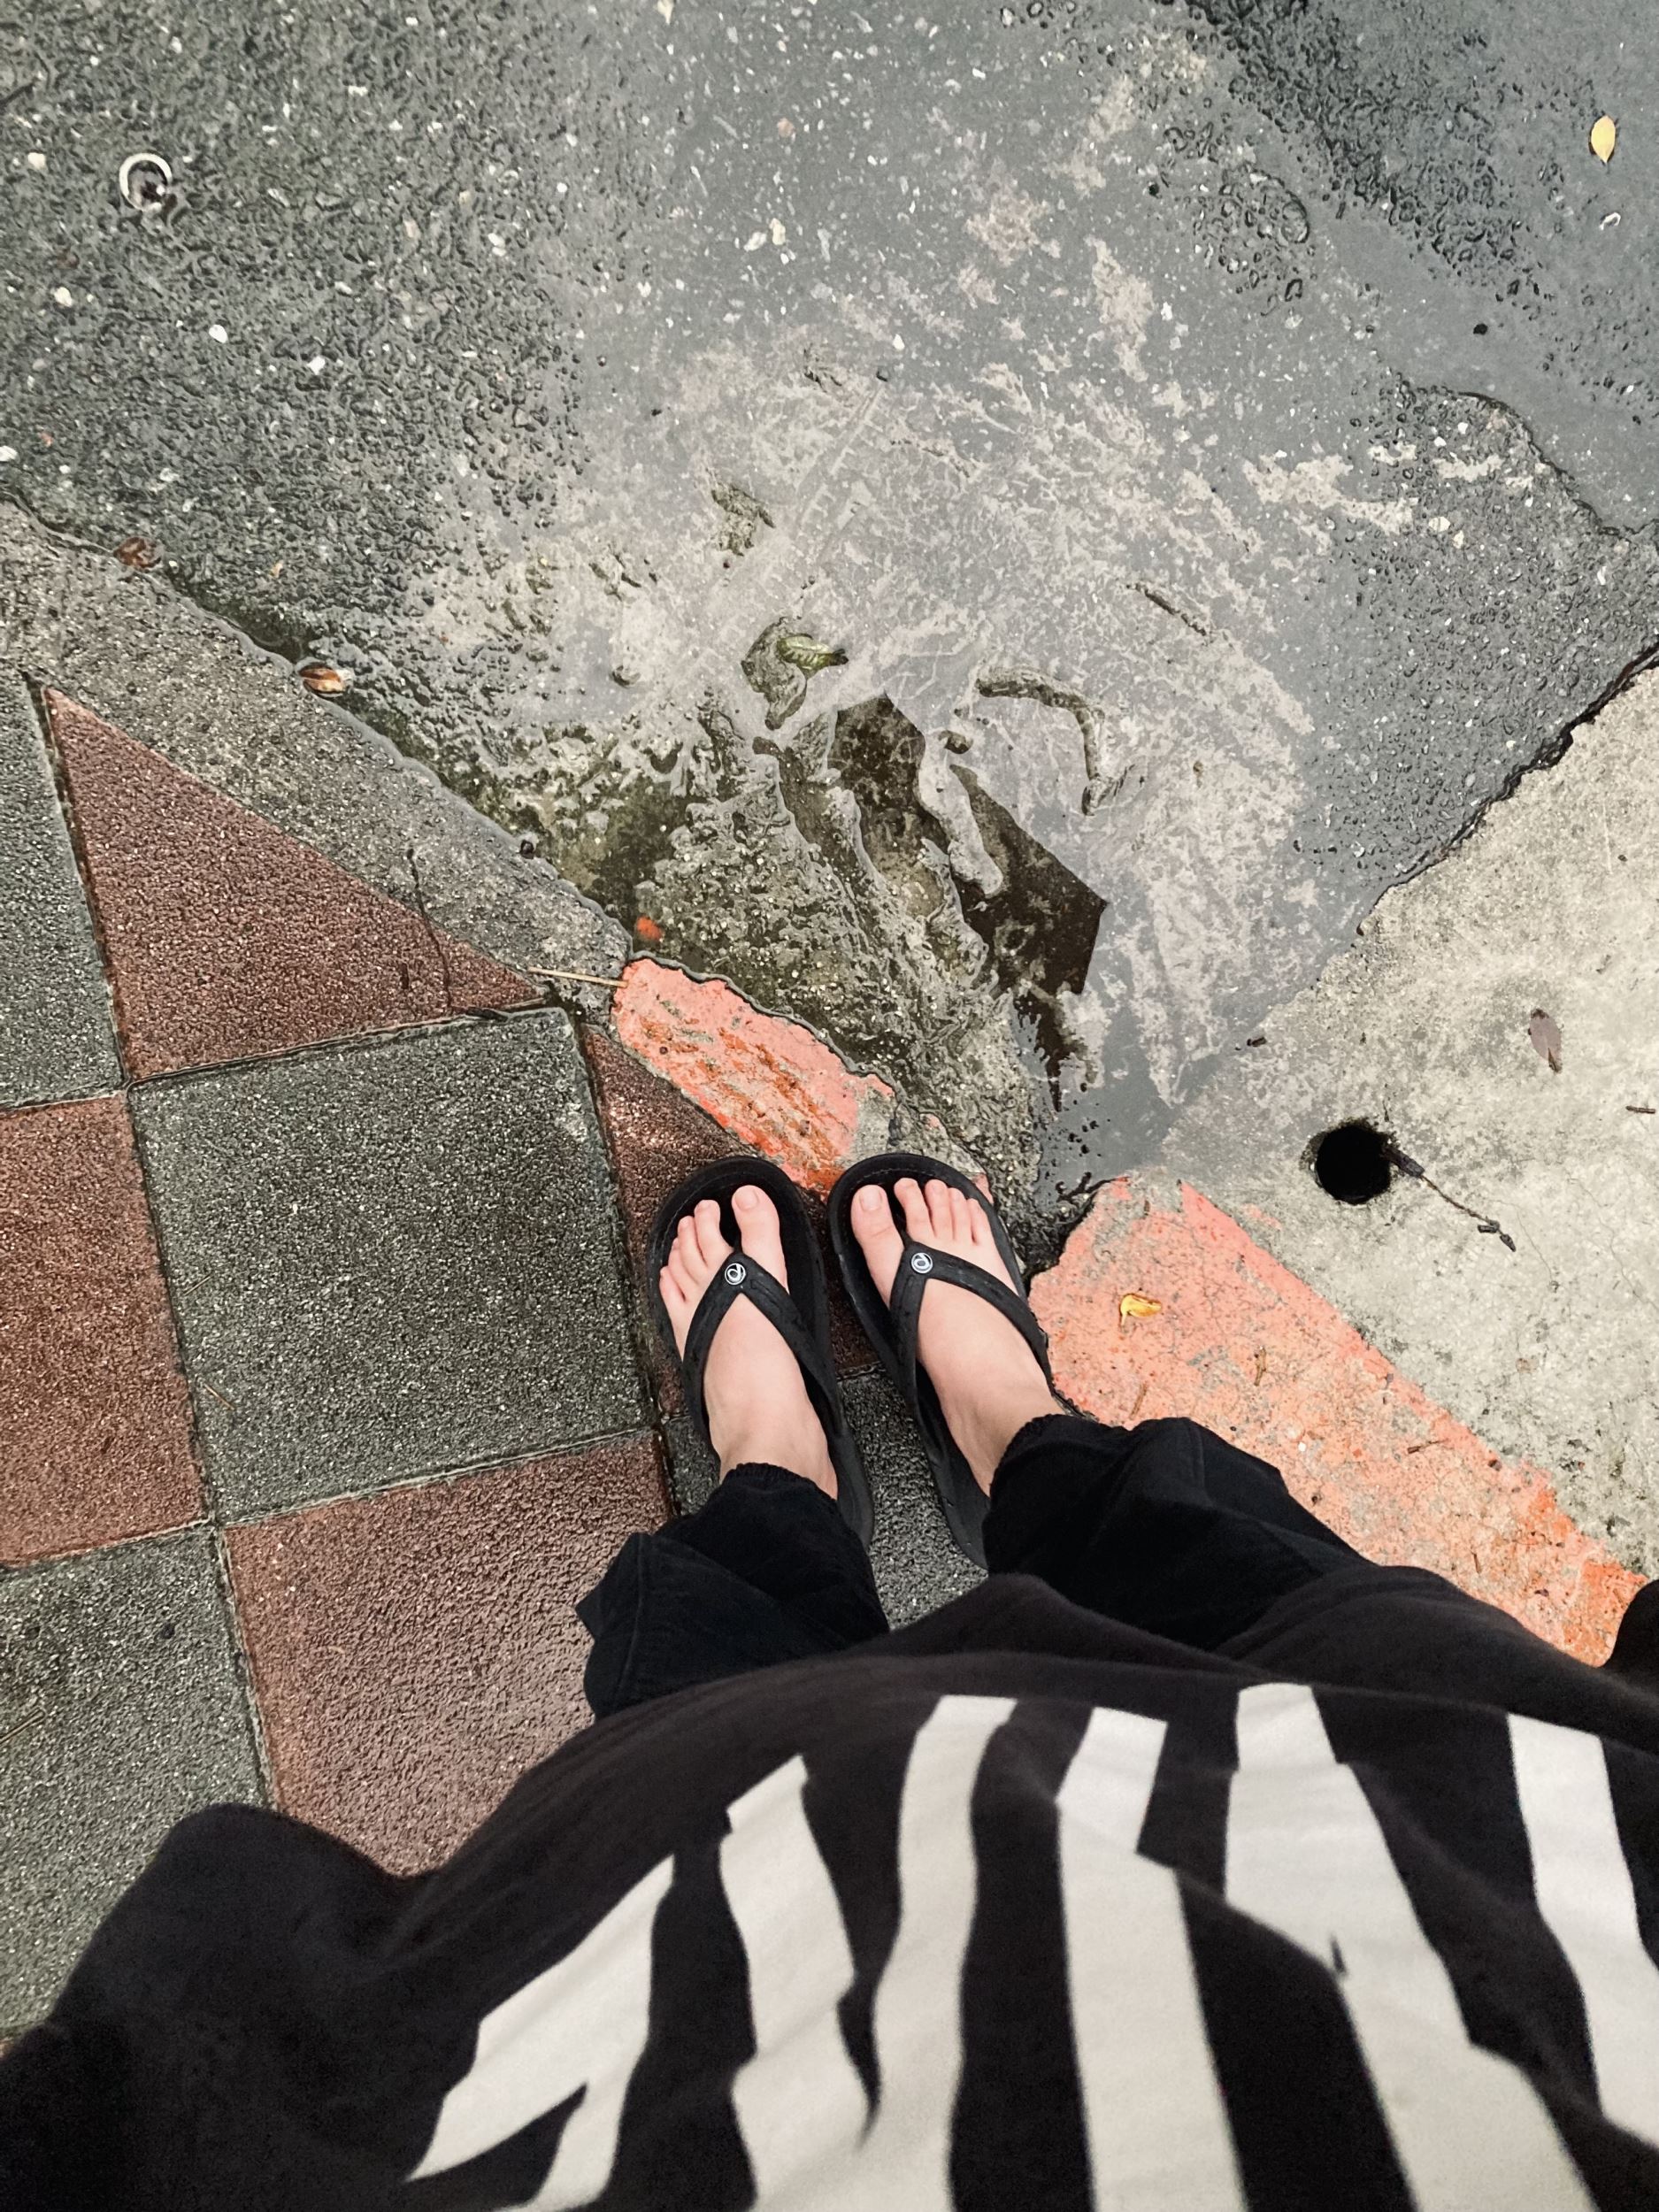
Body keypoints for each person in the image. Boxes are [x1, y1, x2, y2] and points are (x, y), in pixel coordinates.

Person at [5, 1152, 1659, 2212]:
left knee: (722, 1744)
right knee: (1263, 1619)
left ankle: (781, 1469)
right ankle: (1015, 1431)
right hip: (1508, 1896)